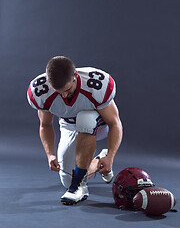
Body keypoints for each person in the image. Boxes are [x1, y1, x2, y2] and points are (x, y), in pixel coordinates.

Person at [27, 56, 123, 205]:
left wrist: (111, 156)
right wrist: (50, 154)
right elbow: (45, 125)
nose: (63, 95)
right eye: (58, 91)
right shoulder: (41, 91)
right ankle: (97, 161)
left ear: (75, 77)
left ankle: (79, 187)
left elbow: (115, 123)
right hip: (68, 124)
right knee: (67, 179)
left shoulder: (96, 84)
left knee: (85, 120)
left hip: (99, 124)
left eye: (67, 89)